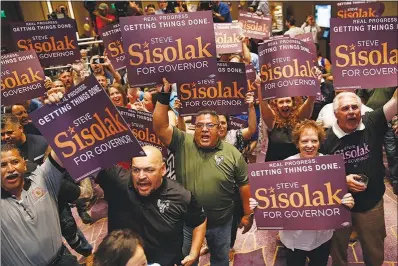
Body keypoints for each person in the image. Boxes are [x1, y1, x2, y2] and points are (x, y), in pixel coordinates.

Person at [153, 79, 253, 265]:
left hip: (221, 223)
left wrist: (247, 214)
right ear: (194, 128)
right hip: (188, 222)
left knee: (221, 259)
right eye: (199, 125)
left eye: (210, 125)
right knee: (188, 261)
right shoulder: (182, 142)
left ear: (220, 129)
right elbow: (159, 127)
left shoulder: (232, 153)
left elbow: (243, 183)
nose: (205, 129)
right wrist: (163, 96)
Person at [249, 119, 355, 266]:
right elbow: (271, 197)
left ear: (320, 142)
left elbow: (337, 194)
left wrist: (345, 200)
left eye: (314, 141)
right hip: (294, 238)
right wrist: (259, 203)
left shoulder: (330, 165)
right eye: (304, 141)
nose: (310, 145)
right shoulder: (285, 166)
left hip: (322, 237)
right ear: (297, 144)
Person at [94, 146, 207, 266]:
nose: (141, 176)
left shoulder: (180, 196)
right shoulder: (117, 182)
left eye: (149, 170)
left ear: (163, 169)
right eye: (136, 170)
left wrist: (194, 253)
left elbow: (199, 221)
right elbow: (88, 158)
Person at [322, 90, 397, 266]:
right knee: (337, 249)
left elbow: (395, 101)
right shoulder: (326, 138)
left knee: (374, 247)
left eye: (355, 107)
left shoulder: (372, 121)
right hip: (338, 203)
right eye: (345, 108)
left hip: (371, 201)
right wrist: (342, 180)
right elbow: (318, 175)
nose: (351, 111)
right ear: (336, 114)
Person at [1, 141, 83, 265]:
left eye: (15, 162)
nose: (11, 169)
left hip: (64, 261)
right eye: (3, 165)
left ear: (24, 163)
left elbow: (65, 145)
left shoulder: (43, 178)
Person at [356, 88, 397, 193]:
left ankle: (395, 181)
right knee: (370, 151)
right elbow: (361, 98)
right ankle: (373, 178)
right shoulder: (366, 76)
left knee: (392, 151)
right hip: (369, 120)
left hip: (389, 118)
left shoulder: (390, 73)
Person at [259, 92, 315, 161]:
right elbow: (263, 104)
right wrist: (260, 87)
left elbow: (310, 100)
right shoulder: (272, 121)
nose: (285, 105)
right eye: (281, 102)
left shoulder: (300, 118)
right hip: (275, 167)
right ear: (276, 105)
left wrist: (315, 84)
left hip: (296, 166)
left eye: (288, 101)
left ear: (293, 103)